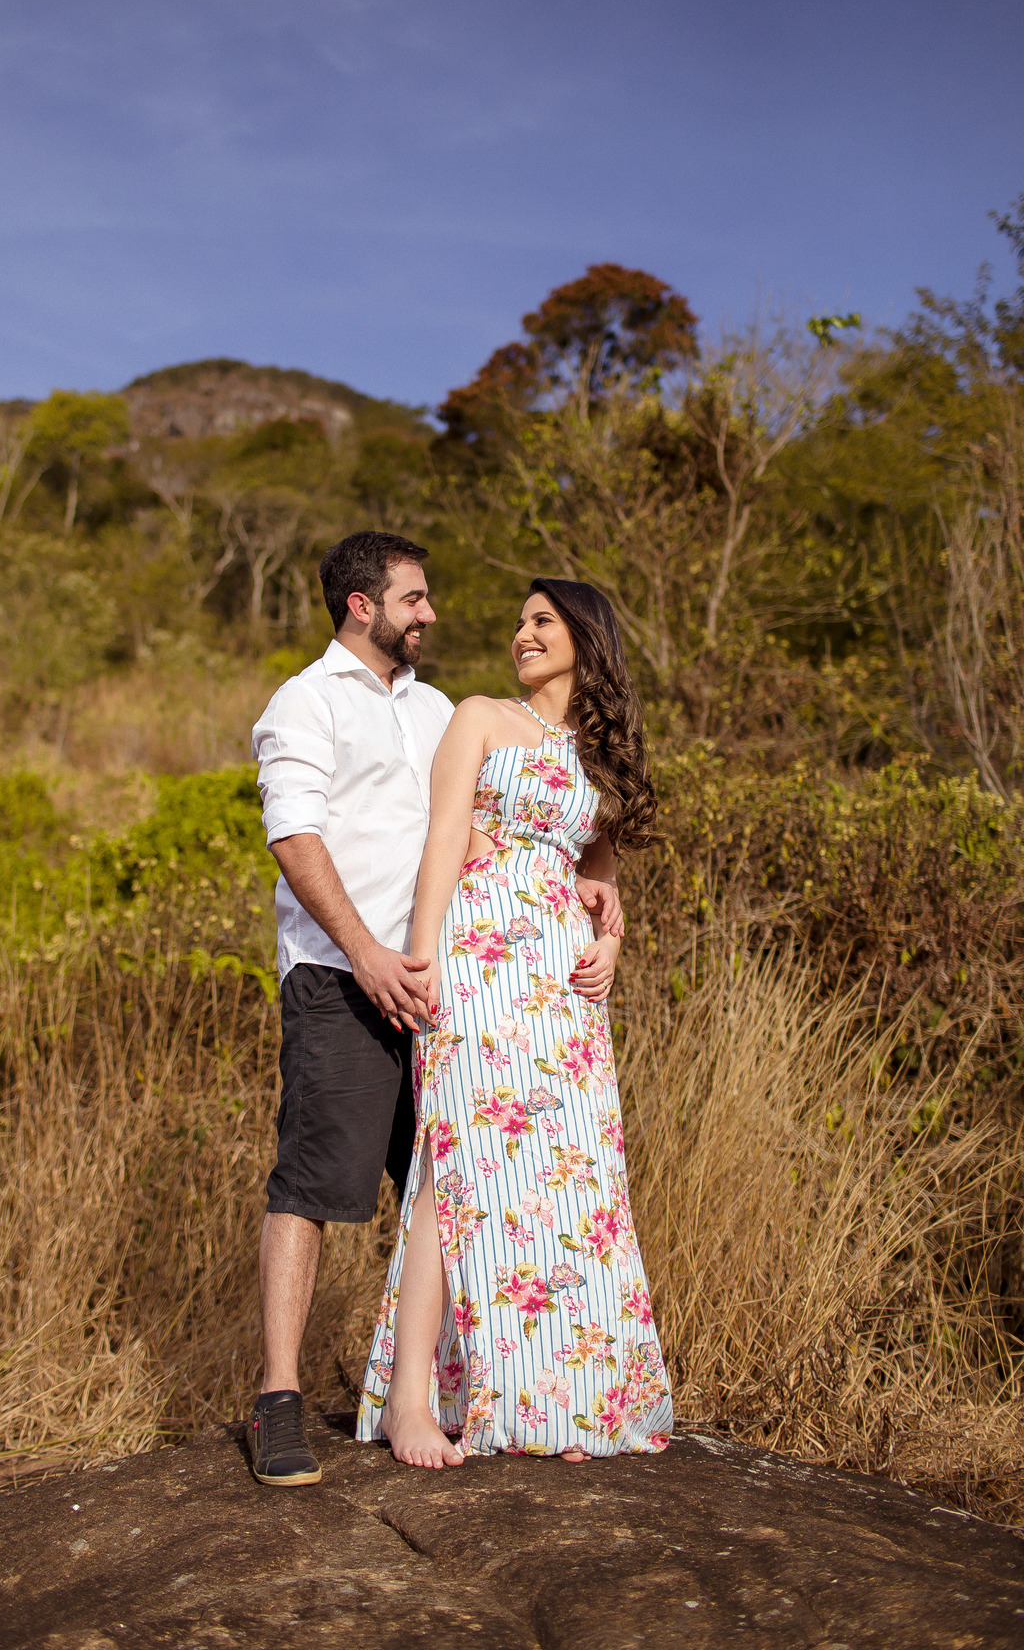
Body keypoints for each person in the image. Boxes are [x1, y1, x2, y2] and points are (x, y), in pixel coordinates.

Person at [246, 535, 627, 1486]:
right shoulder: (308, 701)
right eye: (415, 599)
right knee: (316, 1180)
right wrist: (373, 955)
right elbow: (293, 834)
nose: (433, 615)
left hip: (455, 974)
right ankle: (279, 1399)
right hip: (346, 974)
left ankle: (491, 1387)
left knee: (466, 1182)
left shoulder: (438, 708)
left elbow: (508, 828)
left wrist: (597, 901)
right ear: (362, 606)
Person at [356, 577, 673, 1467]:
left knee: (568, 1179)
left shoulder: (596, 755)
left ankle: (559, 1398)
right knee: (455, 1167)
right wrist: (421, 969)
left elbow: (601, 875)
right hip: (480, 958)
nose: (521, 634)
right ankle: (411, 1404)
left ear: (585, 636)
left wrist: (612, 944)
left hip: (563, 984)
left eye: (542, 621)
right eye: (521, 621)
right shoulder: (481, 717)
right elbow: (442, 842)